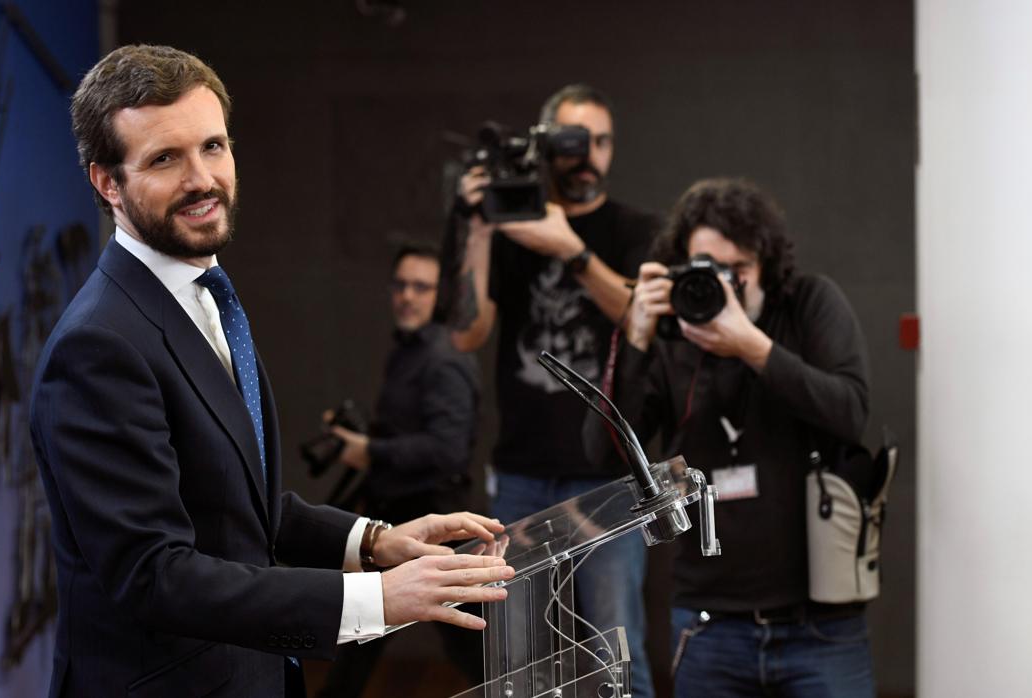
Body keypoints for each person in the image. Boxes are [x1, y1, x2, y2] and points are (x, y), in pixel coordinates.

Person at [29, 44, 513, 698]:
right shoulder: (96, 347)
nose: (203, 178)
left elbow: (240, 507)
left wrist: (375, 542)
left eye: (213, 147)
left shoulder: (208, 293)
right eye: (166, 159)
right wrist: (374, 597)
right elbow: (155, 575)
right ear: (108, 183)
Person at [585, 177, 874, 696]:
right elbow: (601, 455)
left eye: (737, 270)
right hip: (710, 624)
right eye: (707, 270)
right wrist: (634, 337)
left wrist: (753, 347)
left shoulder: (807, 305)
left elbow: (851, 414)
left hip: (821, 625)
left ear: (765, 265)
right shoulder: (670, 339)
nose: (723, 285)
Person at [444, 84, 660, 697]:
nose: (586, 153)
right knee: (515, 653)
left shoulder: (634, 229)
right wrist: (481, 229)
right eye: (571, 140)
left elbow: (639, 317)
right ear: (544, 147)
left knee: (620, 647)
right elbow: (467, 334)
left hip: (607, 475)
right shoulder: (508, 228)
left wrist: (570, 248)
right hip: (520, 474)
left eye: (600, 140)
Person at [317, 241, 483, 696]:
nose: (408, 296)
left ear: (440, 295)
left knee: (470, 647)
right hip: (402, 519)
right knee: (364, 635)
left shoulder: (445, 358)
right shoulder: (410, 349)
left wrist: (373, 451)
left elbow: (448, 450)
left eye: (421, 287)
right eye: (401, 285)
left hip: (434, 521)